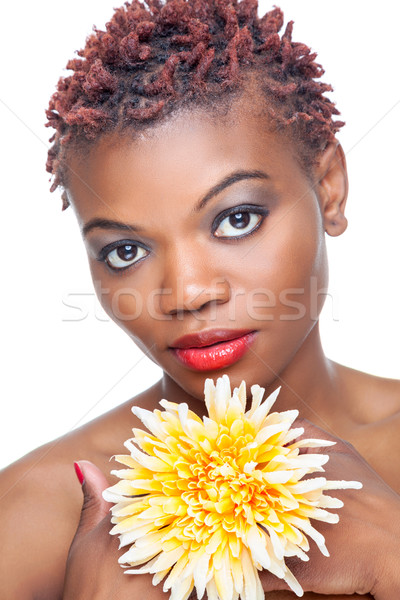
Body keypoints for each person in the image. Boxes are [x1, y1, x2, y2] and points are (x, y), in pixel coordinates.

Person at [0, 1, 399, 599]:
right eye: (126, 252)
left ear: (330, 187)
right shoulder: (36, 515)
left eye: (236, 219)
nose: (186, 294)